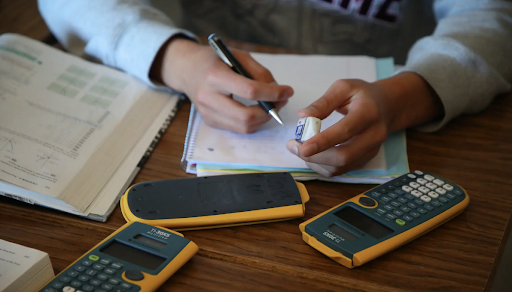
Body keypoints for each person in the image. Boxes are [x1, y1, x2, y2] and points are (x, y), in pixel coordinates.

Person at [38, 0, 512, 177]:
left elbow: (494, 19)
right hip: (166, 112)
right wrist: (174, 58)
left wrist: (407, 96)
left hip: (417, 132)